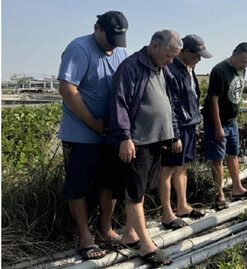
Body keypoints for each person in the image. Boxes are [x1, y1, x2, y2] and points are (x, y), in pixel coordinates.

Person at [57, 11, 128, 260]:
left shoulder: (120, 51)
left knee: (109, 183)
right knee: (79, 186)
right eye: (109, 39)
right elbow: (67, 88)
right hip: (81, 134)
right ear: (97, 28)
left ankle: (106, 228)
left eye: (116, 41)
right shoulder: (79, 48)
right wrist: (93, 122)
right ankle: (84, 236)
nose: (112, 46)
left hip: (110, 134)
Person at [109, 29, 183, 267]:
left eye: (174, 57)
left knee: (142, 190)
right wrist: (124, 137)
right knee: (134, 193)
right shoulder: (131, 67)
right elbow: (119, 103)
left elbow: (167, 102)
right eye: (169, 55)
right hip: (137, 141)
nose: (171, 61)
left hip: (156, 139)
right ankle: (145, 245)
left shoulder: (161, 68)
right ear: (155, 45)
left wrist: (172, 134)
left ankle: (130, 234)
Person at [158, 34, 211, 228]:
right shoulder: (171, 70)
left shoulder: (190, 69)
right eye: (197, 55)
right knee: (168, 169)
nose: (199, 59)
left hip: (190, 124)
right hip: (177, 127)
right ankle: (167, 212)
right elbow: (170, 104)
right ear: (186, 52)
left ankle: (182, 205)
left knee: (183, 166)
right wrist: (174, 134)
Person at [201, 42, 247, 211]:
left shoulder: (241, 70)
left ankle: (237, 187)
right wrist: (218, 127)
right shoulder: (220, 71)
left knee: (234, 155)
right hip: (217, 122)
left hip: (232, 122)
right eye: (242, 61)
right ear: (234, 54)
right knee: (218, 159)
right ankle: (220, 194)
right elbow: (213, 101)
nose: (244, 65)